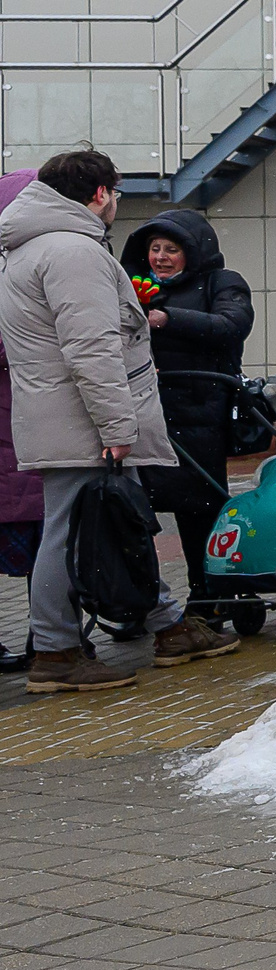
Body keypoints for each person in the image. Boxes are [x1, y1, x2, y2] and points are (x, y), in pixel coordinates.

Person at [0, 150, 233, 693]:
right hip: (85, 422)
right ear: (100, 193)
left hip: (69, 417)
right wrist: (117, 428)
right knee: (69, 532)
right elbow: (93, 349)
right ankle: (57, 652)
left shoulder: (34, 246)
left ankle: (168, 625)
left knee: (121, 522)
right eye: (117, 193)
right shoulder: (72, 250)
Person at [118, 206, 252, 627]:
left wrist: (166, 318)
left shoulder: (222, 282)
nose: (160, 257)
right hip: (143, 412)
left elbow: (232, 324)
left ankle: (207, 592)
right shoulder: (133, 288)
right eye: (154, 249)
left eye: (171, 249)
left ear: (193, 252)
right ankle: (137, 602)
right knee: (135, 511)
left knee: (200, 510)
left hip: (199, 413)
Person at [0, 168, 39, 673]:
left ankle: (47, 634)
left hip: (25, 422)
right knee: (50, 536)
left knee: (45, 534)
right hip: (27, 422)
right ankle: (51, 637)